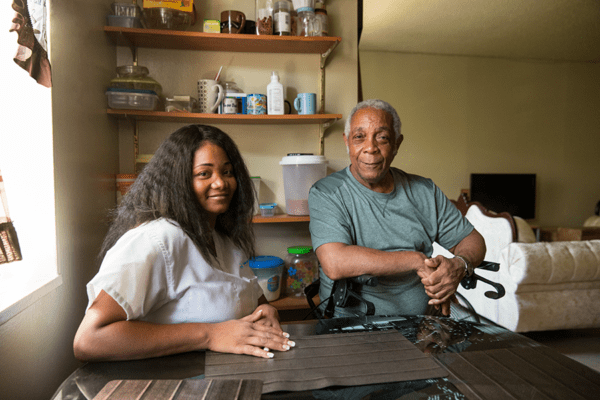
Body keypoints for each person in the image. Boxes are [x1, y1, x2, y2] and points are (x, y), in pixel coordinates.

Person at [74, 124, 294, 362]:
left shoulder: (224, 241)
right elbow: (89, 339)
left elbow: (253, 301)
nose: (221, 183)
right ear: (178, 182)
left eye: (228, 172)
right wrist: (210, 335)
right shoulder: (159, 239)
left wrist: (266, 311)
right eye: (204, 174)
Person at [308, 99, 486, 317]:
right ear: (347, 142)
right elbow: (335, 262)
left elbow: (472, 240)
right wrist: (415, 260)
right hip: (350, 330)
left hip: (421, 325)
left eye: (382, 138)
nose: (370, 148)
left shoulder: (424, 191)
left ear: (397, 144)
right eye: (359, 137)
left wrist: (459, 265)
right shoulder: (327, 192)